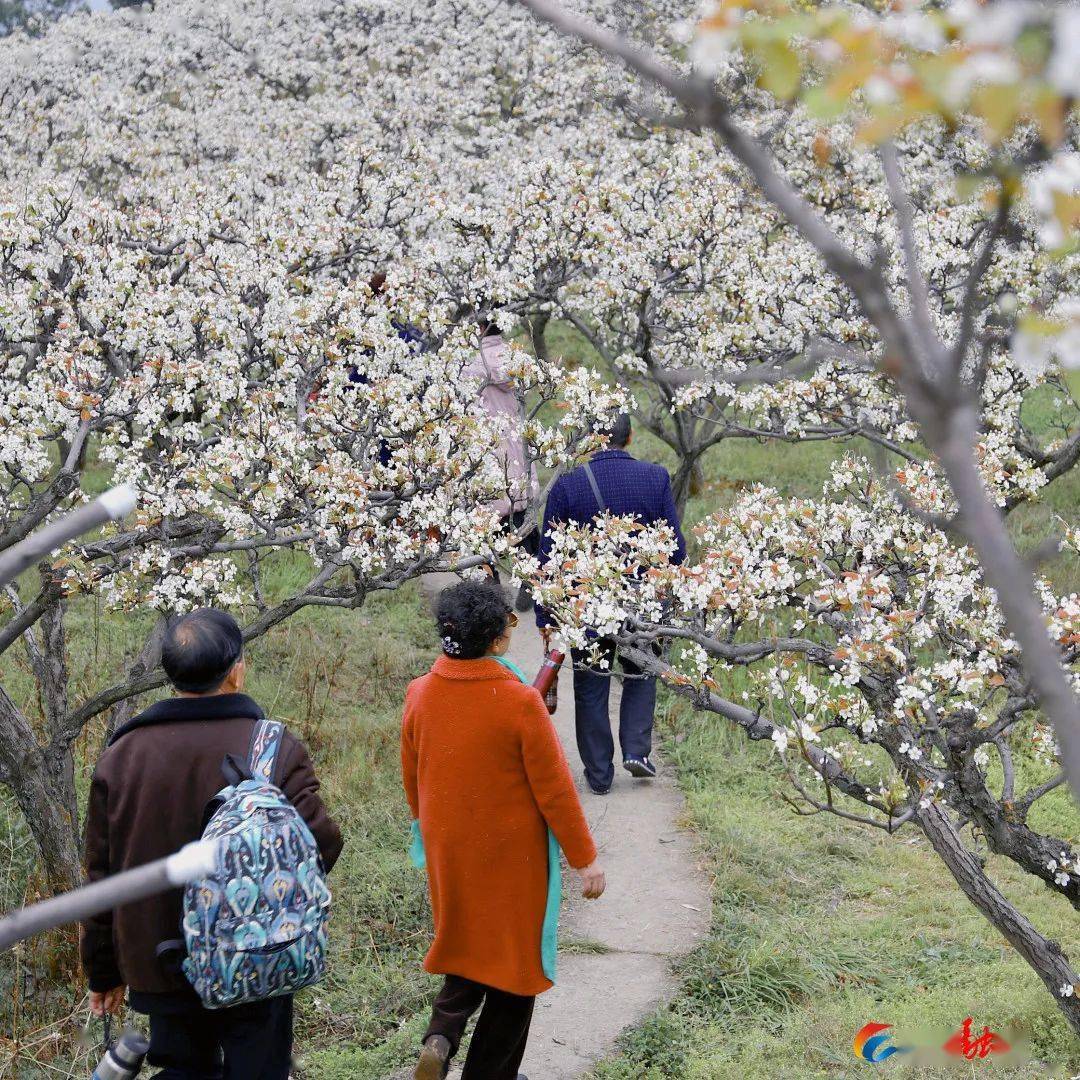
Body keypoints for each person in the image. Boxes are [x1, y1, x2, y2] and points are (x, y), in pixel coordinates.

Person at [81, 608, 344, 1080]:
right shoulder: (270, 748)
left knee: (184, 1069)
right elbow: (322, 844)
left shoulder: (122, 756)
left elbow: (102, 878)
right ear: (236, 669)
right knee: (258, 1069)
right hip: (254, 951)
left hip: (162, 960)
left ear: (170, 673)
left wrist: (103, 971)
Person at [402, 580, 605, 1080]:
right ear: (496, 640)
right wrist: (585, 860)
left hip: (451, 851)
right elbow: (555, 791)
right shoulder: (519, 703)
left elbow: (414, 775)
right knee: (515, 971)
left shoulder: (420, 693)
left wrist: (430, 833)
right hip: (515, 862)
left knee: (468, 948)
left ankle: (441, 1037)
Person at [536, 414, 686, 795]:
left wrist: (545, 616)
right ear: (630, 436)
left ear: (590, 439)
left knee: (590, 684)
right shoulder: (656, 478)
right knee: (640, 672)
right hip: (642, 602)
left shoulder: (568, 485)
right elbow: (676, 550)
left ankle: (599, 774)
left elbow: (549, 558)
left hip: (586, 605)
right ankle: (636, 750)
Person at [464, 312, 540, 610]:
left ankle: (490, 586)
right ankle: (531, 580)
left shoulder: (470, 364)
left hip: (487, 454)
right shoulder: (517, 360)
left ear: (481, 327)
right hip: (517, 448)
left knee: (482, 523)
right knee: (520, 518)